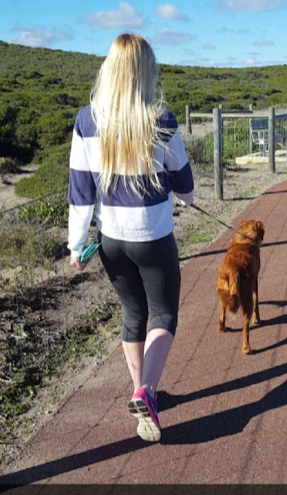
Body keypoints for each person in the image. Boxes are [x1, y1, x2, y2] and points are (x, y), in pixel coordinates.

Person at [67, 34, 194, 442]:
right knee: (164, 314)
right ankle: (147, 392)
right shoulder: (161, 119)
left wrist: (75, 244)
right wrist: (187, 200)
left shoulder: (87, 120)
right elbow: (184, 179)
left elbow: (80, 190)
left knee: (132, 315)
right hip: (153, 236)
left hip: (110, 241)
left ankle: (145, 398)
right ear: (145, 73)